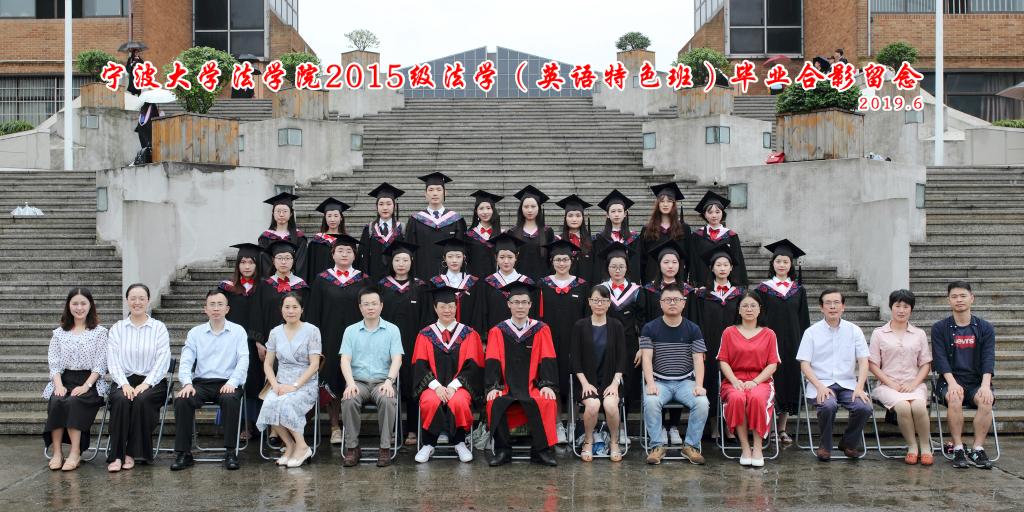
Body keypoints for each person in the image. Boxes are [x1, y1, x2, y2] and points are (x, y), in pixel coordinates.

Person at [170, 290, 248, 471]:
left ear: (227, 309)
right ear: (205, 309)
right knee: (182, 400)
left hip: (227, 382)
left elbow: (244, 360)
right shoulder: (195, 333)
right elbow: (186, 360)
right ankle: (184, 454)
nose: (216, 308)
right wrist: (187, 383)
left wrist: (232, 382)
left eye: (220, 304)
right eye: (212, 304)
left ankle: (230, 452)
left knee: (230, 399)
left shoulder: (238, 331)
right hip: (201, 383)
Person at [485, 281, 559, 467]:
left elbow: (548, 357)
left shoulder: (541, 329)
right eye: (516, 302)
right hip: (506, 386)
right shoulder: (497, 331)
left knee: (547, 400)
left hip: (532, 386)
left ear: (530, 305)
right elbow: (492, 360)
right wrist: (493, 386)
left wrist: (547, 384)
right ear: (509, 304)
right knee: (495, 401)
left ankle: (541, 451)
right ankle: (503, 450)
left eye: (524, 302)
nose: (520, 306)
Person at [305, 234, 367, 445]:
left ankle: (351, 425)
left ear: (355, 256)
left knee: (353, 379)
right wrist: (314, 342)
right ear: (332, 254)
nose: (344, 254)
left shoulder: (363, 279)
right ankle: (334, 427)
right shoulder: (322, 279)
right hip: (329, 338)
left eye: (349, 251)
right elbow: (314, 312)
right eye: (340, 250)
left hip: (358, 340)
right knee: (331, 380)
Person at [412, 286, 485, 463]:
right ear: (435, 308)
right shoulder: (425, 334)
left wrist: (453, 386)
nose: (447, 310)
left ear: (456, 307)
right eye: (443, 306)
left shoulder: (469, 334)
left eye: (451, 306)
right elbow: (420, 365)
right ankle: (428, 444)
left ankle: (459, 442)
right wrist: (437, 387)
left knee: (459, 401)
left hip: (459, 387)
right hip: (432, 387)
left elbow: (474, 366)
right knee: (430, 401)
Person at [797, 289, 872, 462]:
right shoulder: (811, 332)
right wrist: (819, 386)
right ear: (821, 308)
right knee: (828, 405)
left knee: (864, 407)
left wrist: (859, 387)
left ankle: (849, 443)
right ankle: (825, 445)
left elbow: (863, 361)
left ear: (843, 307)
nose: (832, 307)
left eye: (836, 303)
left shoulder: (854, 330)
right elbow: (804, 364)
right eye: (828, 303)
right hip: (820, 383)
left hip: (847, 384)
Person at [640, 284, 709, 465]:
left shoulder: (693, 329)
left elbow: (698, 360)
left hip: (685, 382)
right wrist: (650, 383)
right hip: (659, 381)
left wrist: (699, 385)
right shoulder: (650, 328)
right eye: (668, 300)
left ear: (684, 303)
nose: (672, 303)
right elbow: (646, 358)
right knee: (651, 401)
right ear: (660, 303)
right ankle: (657, 447)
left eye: (676, 299)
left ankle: (691, 446)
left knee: (702, 403)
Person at [105, 283, 171, 473]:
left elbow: (163, 359)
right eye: (133, 298)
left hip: (153, 381)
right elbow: (112, 360)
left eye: (142, 298)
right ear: (127, 301)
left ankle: (132, 453)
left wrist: (147, 383)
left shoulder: (158, 328)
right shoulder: (117, 328)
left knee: (142, 399)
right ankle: (116, 455)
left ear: (148, 301)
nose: (137, 302)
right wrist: (123, 384)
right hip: (124, 379)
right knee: (120, 399)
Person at [931, 281, 996, 469]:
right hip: (949, 381)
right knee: (954, 397)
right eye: (954, 297)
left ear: (972, 298)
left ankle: (977, 449)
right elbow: (940, 359)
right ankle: (958, 448)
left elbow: (988, 358)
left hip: (976, 381)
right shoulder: (940, 328)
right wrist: (952, 383)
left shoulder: (985, 328)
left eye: (963, 296)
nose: (958, 300)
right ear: (949, 300)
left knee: (986, 400)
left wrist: (985, 385)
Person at [43, 288, 108, 472]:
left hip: (90, 381)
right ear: (69, 306)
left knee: (73, 401)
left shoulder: (100, 332)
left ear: (90, 305)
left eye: (83, 303)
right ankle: (57, 453)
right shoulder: (59, 333)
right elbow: (54, 363)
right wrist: (58, 385)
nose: (79, 308)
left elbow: (100, 364)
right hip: (65, 379)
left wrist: (86, 385)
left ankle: (75, 452)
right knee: (57, 400)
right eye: (75, 303)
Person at [339, 287, 404, 467]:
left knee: (388, 399)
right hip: (358, 382)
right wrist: (350, 383)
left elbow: (397, 359)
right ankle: (352, 448)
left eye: (374, 304)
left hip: (382, 382)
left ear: (381, 306)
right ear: (360, 307)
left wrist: (390, 382)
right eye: (366, 304)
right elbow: (345, 360)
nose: (370, 307)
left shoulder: (392, 330)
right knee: (349, 399)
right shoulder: (350, 331)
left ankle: (385, 448)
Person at [257, 293, 322, 468]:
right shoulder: (275, 332)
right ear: (281, 310)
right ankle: (290, 445)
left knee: (286, 404)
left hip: (304, 384)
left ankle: (302, 447)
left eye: (295, 307)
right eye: (287, 307)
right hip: (280, 383)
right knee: (269, 404)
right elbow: (268, 364)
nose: (291, 311)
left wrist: (295, 386)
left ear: (302, 310)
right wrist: (275, 385)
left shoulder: (312, 331)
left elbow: (315, 364)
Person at [869, 289, 933, 466]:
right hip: (887, 385)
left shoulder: (919, 334)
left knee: (919, 406)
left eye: (906, 306)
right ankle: (912, 447)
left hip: (914, 384)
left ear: (911, 309)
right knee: (903, 407)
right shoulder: (879, 333)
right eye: (897, 306)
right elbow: (873, 364)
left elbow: (925, 363)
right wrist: (891, 383)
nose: (901, 310)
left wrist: (914, 383)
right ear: (891, 307)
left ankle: (926, 447)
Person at [756, 239, 810, 444]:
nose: (781, 265)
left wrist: (805, 346)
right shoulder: (763, 290)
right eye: (778, 261)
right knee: (772, 383)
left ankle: (782, 429)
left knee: (789, 383)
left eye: (785, 261)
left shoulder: (798, 291)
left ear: (791, 265)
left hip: (793, 343)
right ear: (772, 263)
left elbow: (804, 320)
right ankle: (769, 428)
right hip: (770, 343)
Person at [377, 240, 430, 446]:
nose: (401, 264)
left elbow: (426, 317)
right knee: (391, 386)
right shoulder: (382, 286)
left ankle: (412, 430)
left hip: (414, 344)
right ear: (391, 262)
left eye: (405, 260)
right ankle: (393, 430)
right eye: (397, 260)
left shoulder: (420, 287)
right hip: (387, 346)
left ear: (411, 262)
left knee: (413, 385)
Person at [643, 239, 696, 444]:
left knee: (679, 375)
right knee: (659, 385)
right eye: (666, 262)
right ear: (659, 265)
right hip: (654, 344)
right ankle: (660, 430)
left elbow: (692, 320)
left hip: (682, 344)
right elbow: (643, 318)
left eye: (674, 262)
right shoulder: (649, 290)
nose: (670, 266)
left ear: (679, 265)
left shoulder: (687, 291)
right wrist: (642, 345)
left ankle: (673, 426)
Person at [718, 292, 780, 467]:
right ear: (738, 309)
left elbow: (772, 364)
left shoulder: (769, 334)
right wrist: (734, 380)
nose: (749, 309)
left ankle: (758, 448)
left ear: (760, 309)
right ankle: (745, 447)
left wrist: (755, 382)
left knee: (756, 398)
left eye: (753, 305)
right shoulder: (729, 332)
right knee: (737, 398)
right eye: (745, 305)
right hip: (734, 380)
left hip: (761, 381)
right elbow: (723, 361)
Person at [538, 239, 590, 445]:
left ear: (571, 261)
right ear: (552, 261)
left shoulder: (582, 285)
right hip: (549, 342)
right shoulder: (543, 285)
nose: (561, 263)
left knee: (575, 381)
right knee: (553, 381)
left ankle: (573, 423)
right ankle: (558, 423)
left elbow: (587, 316)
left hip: (575, 342)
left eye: (565, 259)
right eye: (558, 259)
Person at [692, 243, 743, 440]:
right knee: (711, 381)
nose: (722, 268)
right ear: (712, 268)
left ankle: (730, 425)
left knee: (731, 382)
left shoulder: (739, 294)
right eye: (718, 265)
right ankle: (713, 424)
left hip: (734, 348)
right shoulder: (701, 295)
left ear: (731, 268)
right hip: (709, 345)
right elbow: (696, 322)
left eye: (726, 265)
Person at [571, 285, 627, 462]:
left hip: (611, 381)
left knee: (610, 405)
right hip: (586, 381)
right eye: (595, 300)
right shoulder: (580, 326)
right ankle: (588, 441)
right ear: (589, 302)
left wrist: (615, 384)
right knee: (593, 405)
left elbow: (622, 358)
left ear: (609, 303)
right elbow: (575, 359)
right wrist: (585, 383)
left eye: (603, 300)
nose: (599, 304)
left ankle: (614, 442)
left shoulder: (616, 325)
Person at [219, 243, 264, 440]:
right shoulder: (227, 288)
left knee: (254, 382)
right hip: (232, 342)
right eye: (243, 262)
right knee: (235, 380)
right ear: (237, 265)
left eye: (251, 262)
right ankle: (239, 424)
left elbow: (265, 315)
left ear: (257, 265)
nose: (247, 266)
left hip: (255, 342)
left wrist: (259, 339)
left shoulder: (263, 287)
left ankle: (255, 424)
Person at [597, 241, 646, 422]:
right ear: (607, 268)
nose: (617, 270)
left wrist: (641, 346)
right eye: (613, 267)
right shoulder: (601, 289)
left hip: (630, 343)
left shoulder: (636, 291)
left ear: (627, 268)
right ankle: (607, 423)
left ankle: (623, 424)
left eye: (621, 266)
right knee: (606, 380)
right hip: (605, 342)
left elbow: (641, 320)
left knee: (629, 381)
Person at [405, 172, 466, 282]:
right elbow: (409, 251)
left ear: (445, 193)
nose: (435, 193)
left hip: (450, 277)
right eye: (431, 190)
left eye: (439, 189)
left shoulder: (456, 220)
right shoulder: (415, 220)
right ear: (425, 194)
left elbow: (462, 250)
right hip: (422, 274)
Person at [689, 191, 748, 287]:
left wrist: (736, 285)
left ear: (722, 213)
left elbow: (738, 262)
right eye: (710, 212)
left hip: (726, 284)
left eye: (717, 212)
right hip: (703, 284)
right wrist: (695, 284)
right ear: (704, 214)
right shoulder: (697, 236)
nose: (714, 215)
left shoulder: (731, 236)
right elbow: (693, 261)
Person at [480, 232, 535, 333]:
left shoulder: (527, 282)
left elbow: (532, 313)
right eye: (502, 257)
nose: (506, 261)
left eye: (510, 257)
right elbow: (484, 312)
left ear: (516, 257)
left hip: (522, 334)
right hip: (495, 334)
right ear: (496, 258)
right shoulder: (488, 283)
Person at [256, 240, 310, 342]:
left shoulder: (302, 287)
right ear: (273, 260)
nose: (283, 262)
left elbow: (306, 315)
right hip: (268, 340)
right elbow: (257, 314)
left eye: (287, 258)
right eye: (279, 258)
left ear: (293, 261)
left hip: (297, 340)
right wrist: (259, 341)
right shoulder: (264, 285)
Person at [429, 237, 483, 333]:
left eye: (458, 256)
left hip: (468, 334)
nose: (454, 260)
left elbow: (478, 313)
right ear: (444, 258)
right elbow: (431, 312)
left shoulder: (474, 283)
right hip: (442, 334)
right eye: (450, 257)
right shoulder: (435, 282)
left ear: (464, 258)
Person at [641, 182, 690, 285]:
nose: (665, 204)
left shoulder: (684, 229)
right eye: (662, 201)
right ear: (658, 204)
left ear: (674, 204)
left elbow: (688, 257)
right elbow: (642, 258)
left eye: (669, 201)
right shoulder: (647, 229)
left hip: (677, 280)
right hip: (653, 280)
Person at [593, 190, 643, 283]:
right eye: (613, 211)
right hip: (606, 283)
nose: (616, 214)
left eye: (620, 211)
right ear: (607, 215)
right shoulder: (600, 238)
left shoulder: (634, 238)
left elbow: (635, 264)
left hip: (627, 283)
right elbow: (598, 264)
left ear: (625, 214)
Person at [359, 183, 406, 281]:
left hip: (397, 278)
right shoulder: (369, 229)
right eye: (381, 204)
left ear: (394, 206)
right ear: (376, 206)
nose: (385, 208)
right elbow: (364, 257)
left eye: (389, 204)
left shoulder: (402, 229)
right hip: (374, 278)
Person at [507, 186, 554, 281]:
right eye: (526, 206)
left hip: (542, 281)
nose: (529, 210)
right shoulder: (512, 232)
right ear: (521, 209)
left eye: (533, 206)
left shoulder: (547, 232)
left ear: (539, 208)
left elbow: (551, 259)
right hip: (519, 282)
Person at [257, 192, 308, 280]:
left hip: (293, 282)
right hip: (272, 282)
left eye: (285, 211)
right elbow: (265, 263)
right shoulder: (265, 238)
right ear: (273, 213)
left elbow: (301, 263)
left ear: (291, 214)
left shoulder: (299, 238)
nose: (281, 214)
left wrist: (293, 281)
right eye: (278, 211)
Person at [305, 197, 350, 279]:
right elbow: (311, 267)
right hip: (321, 282)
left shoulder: (347, 240)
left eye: (336, 216)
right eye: (329, 216)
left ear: (341, 218)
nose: (332, 219)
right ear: (325, 218)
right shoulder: (317, 241)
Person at [554, 194, 595, 282]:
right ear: (565, 218)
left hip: (586, 285)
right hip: (563, 285)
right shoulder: (558, 240)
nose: (574, 219)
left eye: (578, 215)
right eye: (570, 216)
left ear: (583, 218)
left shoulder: (592, 241)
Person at [465, 190, 503, 279]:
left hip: (496, 281)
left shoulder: (501, 235)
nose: (485, 212)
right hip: (474, 281)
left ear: (493, 210)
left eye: (488, 208)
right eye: (481, 208)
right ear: (476, 211)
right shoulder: (469, 235)